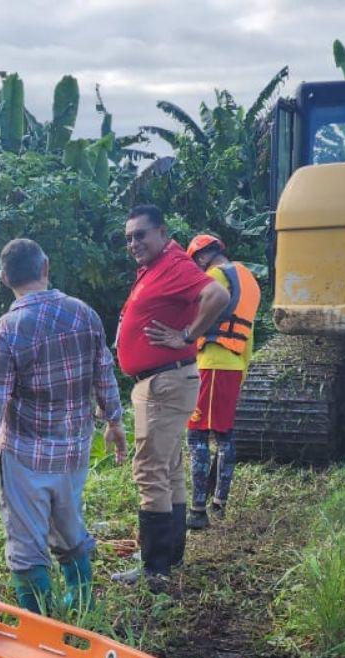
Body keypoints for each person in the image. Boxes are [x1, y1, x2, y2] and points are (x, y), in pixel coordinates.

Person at [0, 238, 126, 614]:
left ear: (5, 278)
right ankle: (83, 607)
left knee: (26, 543)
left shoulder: (7, 329)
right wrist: (115, 420)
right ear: (45, 267)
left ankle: (41, 625)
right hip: (74, 449)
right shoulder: (84, 314)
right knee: (70, 526)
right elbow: (104, 374)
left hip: (25, 454)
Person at [112, 205, 231, 587]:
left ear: (162, 233)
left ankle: (154, 568)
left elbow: (216, 295)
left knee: (149, 470)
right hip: (162, 381)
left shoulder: (175, 264)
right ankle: (169, 556)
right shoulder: (155, 268)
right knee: (168, 467)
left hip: (164, 382)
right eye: (129, 237)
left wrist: (187, 335)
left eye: (141, 235)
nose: (134, 243)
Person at [183, 234, 262, 530]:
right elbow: (248, 333)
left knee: (198, 434)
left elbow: (196, 315)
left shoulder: (216, 276)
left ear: (203, 256)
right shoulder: (249, 279)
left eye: (196, 263)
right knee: (225, 436)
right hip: (233, 364)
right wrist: (241, 369)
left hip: (213, 364)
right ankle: (219, 503)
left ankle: (197, 510)